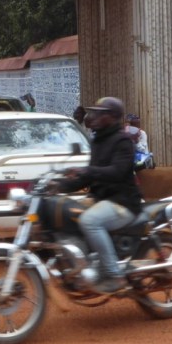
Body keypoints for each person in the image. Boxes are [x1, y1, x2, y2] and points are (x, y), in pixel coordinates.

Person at [54, 97, 143, 293]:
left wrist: (87, 172)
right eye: (93, 112)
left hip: (122, 202)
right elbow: (89, 177)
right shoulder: (98, 140)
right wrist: (58, 186)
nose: (92, 117)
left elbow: (117, 172)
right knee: (64, 212)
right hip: (102, 199)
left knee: (89, 221)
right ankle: (85, 264)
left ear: (111, 117)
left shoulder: (123, 141)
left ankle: (114, 274)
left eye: (99, 113)